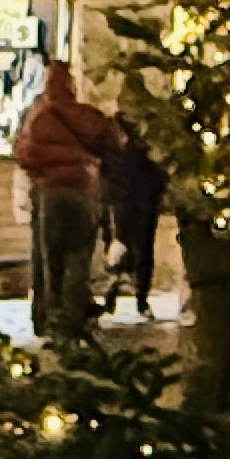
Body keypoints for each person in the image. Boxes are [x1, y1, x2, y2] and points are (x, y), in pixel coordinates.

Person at [11, 58, 122, 345]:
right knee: (79, 258)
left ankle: (52, 318)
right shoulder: (81, 115)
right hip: (83, 192)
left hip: (50, 195)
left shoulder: (37, 115)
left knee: (51, 260)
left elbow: (23, 153)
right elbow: (113, 138)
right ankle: (73, 320)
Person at [96, 117, 168, 323]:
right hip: (139, 204)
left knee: (120, 249)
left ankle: (116, 295)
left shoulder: (113, 149)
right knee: (140, 251)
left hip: (123, 204)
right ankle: (137, 298)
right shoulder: (145, 148)